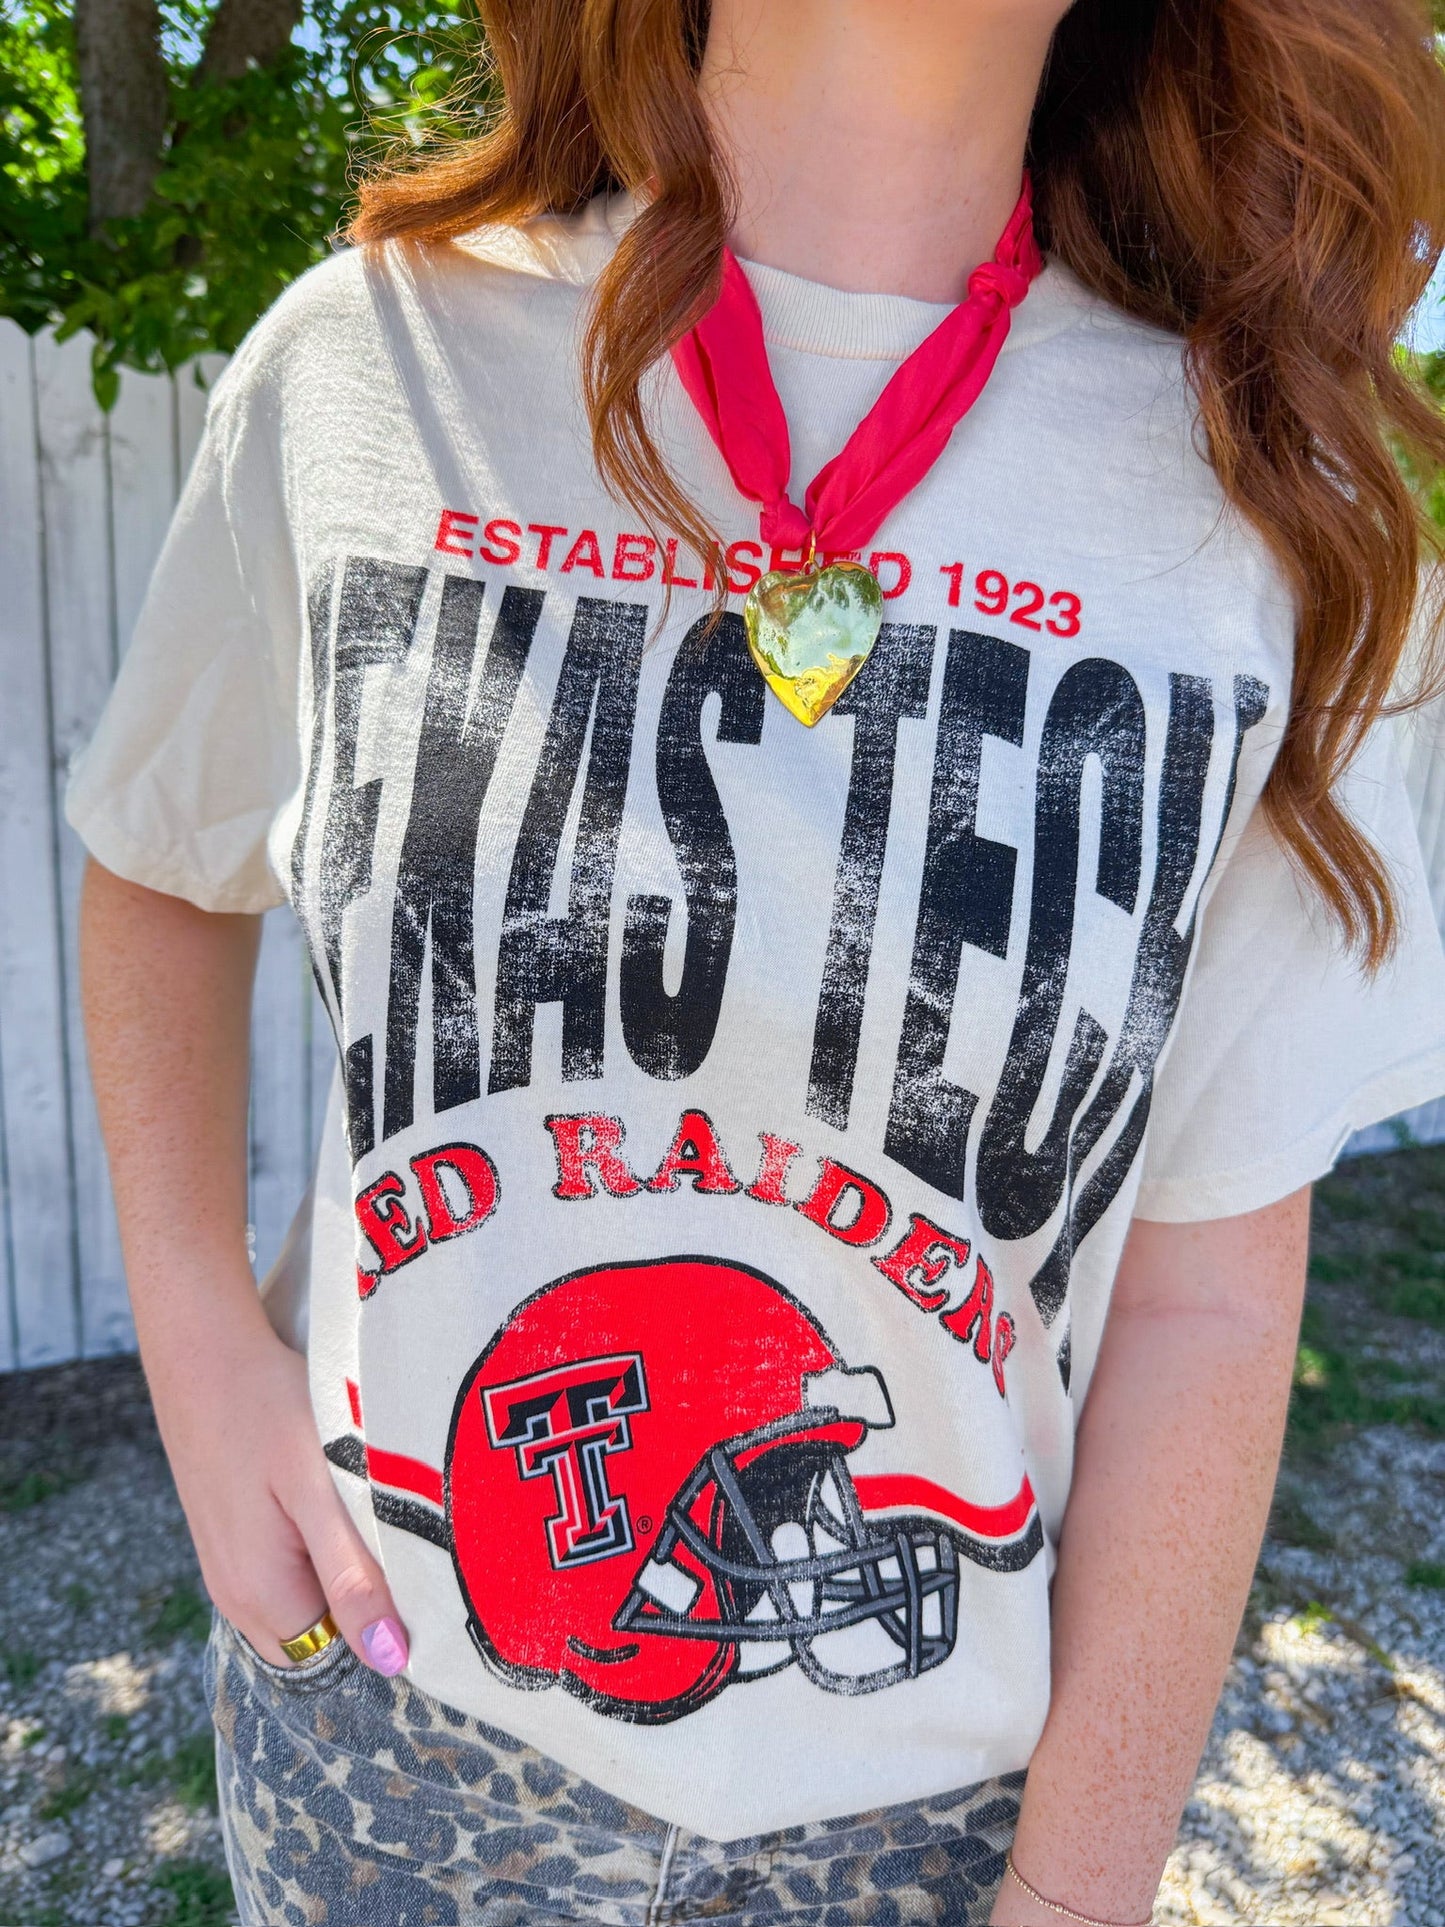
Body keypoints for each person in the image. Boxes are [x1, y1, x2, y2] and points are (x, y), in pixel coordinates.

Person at [69, 0, 1445, 1921]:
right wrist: (202, 1348)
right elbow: (158, 857)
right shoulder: (368, 362)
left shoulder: (1269, 506)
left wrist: (1076, 1894)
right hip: (383, 1754)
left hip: (938, 1826)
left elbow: (1207, 1301)